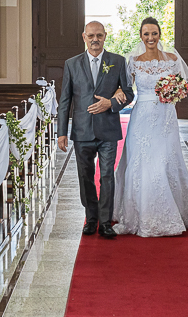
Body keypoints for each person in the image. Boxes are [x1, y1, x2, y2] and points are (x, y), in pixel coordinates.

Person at [112, 18, 188, 237]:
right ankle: (140, 213)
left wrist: (173, 92)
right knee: (141, 163)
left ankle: (169, 212)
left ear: (160, 34)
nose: (150, 38)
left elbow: (182, 86)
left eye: (154, 33)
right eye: (146, 34)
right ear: (141, 36)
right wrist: (118, 92)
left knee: (164, 161)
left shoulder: (172, 59)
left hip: (165, 117)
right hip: (141, 118)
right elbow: (126, 88)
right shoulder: (134, 61)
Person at [57, 21, 135, 239]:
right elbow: (65, 100)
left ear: (105, 36)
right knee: (85, 177)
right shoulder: (72, 64)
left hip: (108, 129)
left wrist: (111, 103)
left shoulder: (117, 61)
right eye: (91, 36)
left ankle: (105, 222)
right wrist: (61, 132)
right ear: (84, 37)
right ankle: (91, 219)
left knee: (107, 176)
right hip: (82, 131)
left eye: (99, 35)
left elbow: (129, 93)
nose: (95, 40)